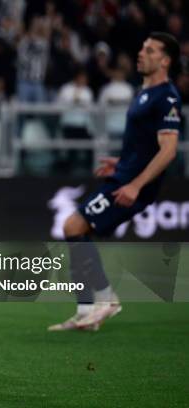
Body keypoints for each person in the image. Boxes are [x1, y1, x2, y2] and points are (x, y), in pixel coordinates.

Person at [48, 32, 181, 331]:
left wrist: (135, 184)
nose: (141, 53)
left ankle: (106, 300)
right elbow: (144, 144)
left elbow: (168, 150)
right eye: (142, 47)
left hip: (133, 184)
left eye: (150, 50)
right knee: (76, 233)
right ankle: (86, 311)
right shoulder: (145, 91)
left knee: (73, 227)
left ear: (165, 60)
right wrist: (120, 164)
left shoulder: (167, 97)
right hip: (123, 176)